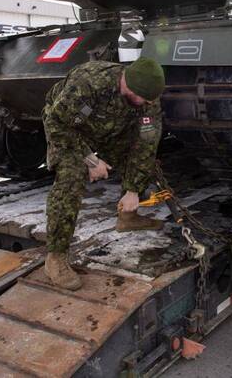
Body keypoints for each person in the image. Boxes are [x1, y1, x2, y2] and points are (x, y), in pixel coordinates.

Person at [42, 57, 166, 290]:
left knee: (141, 156)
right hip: (69, 129)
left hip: (110, 127)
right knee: (70, 178)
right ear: (128, 86)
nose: (147, 104)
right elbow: (57, 124)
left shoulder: (147, 98)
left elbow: (147, 142)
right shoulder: (89, 82)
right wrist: (90, 160)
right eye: (143, 99)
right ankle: (55, 258)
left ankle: (127, 217)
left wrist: (133, 190)